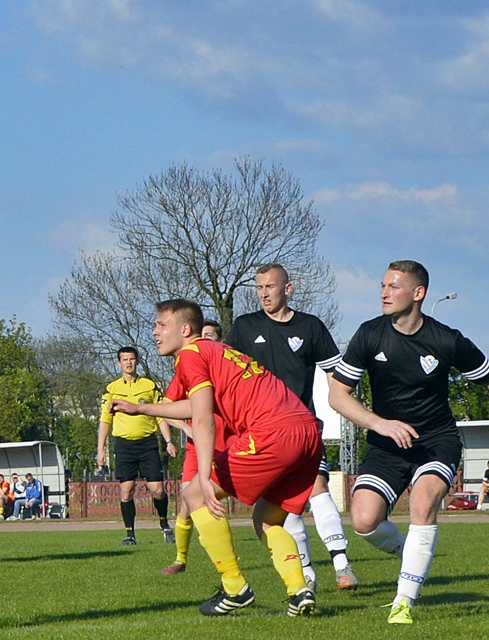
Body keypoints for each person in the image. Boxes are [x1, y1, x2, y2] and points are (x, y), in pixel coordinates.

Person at [328, 260, 489, 625]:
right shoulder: (369, 334)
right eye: (382, 285)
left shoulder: (446, 339)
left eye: (394, 286)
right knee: (364, 521)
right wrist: (380, 424)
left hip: (436, 441)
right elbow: (338, 395)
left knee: (422, 503)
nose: (384, 292)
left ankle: (403, 603)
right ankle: (411, 552)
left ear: (418, 294)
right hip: (387, 445)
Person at [113, 299, 322, 617]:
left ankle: (235, 587)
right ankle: (299, 590)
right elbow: (197, 406)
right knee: (267, 519)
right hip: (306, 433)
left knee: (195, 492)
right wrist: (142, 408)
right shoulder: (215, 351)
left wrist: (205, 479)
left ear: (184, 329)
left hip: (273, 432)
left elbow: (203, 419)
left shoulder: (191, 355)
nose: (154, 331)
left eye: (161, 324)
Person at [225, 262, 357, 591]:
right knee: (285, 506)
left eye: (270, 287)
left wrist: (348, 411)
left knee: (317, 487)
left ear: (288, 288)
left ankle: (342, 565)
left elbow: (335, 378)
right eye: (258, 288)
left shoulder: (310, 327)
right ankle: (307, 575)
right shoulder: (244, 327)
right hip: (260, 433)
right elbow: (227, 377)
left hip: (302, 429)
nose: (263, 294)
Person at [161, 319, 227, 576]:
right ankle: (180, 559)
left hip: (230, 444)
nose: (206, 341)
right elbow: (166, 408)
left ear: (219, 341)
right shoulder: (187, 370)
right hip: (197, 447)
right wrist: (187, 429)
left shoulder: (226, 366)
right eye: (204, 335)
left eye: (212, 336)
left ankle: (227, 561)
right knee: (188, 501)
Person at [97, 346, 177, 545]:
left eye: (132, 359)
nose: (129, 363)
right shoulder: (112, 389)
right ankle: (130, 534)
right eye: (125, 360)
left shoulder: (149, 386)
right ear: (119, 363)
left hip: (147, 443)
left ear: (136, 361)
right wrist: (100, 449)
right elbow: (105, 420)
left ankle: (164, 525)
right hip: (124, 445)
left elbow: (161, 414)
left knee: (157, 489)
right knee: (126, 491)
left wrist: (169, 441)